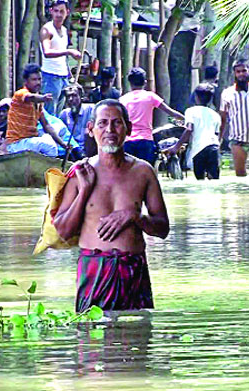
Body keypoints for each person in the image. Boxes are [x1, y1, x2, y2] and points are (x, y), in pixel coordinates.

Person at [53, 99, 170, 312]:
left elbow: (162, 229)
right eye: (102, 123)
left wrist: (136, 217)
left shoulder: (143, 172)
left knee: (138, 337)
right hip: (95, 270)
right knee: (93, 340)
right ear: (91, 129)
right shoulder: (80, 172)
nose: (109, 129)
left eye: (117, 123)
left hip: (134, 269)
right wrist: (85, 191)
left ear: (129, 129)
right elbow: (62, 231)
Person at [119, 67, 184, 166]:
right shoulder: (150, 96)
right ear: (145, 82)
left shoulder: (122, 100)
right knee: (146, 172)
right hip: (146, 141)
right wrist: (185, 119)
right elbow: (170, 112)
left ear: (130, 82)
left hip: (128, 141)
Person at [6, 63, 70, 157]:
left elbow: (47, 126)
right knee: (49, 146)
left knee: (50, 139)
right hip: (17, 144)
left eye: (39, 79)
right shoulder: (20, 94)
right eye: (34, 80)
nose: (38, 83)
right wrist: (43, 98)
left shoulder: (39, 104)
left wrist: (63, 144)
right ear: (26, 81)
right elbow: (31, 97)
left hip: (30, 142)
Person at [166, 83, 221, 180]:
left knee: (200, 181)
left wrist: (176, 147)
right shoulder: (215, 115)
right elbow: (216, 134)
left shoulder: (190, 111)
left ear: (196, 97)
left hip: (199, 150)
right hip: (214, 148)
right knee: (214, 180)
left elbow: (189, 129)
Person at [39, 0, 82, 116]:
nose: (58, 14)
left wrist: (69, 75)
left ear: (67, 12)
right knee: (49, 113)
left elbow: (63, 59)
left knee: (60, 111)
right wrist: (69, 51)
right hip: (50, 76)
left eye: (61, 11)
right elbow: (47, 52)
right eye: (56, 11)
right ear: (51, 11)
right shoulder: (46, 30)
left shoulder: (64, 30)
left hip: (63, 77)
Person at [59, 84, 95, 156]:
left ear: (81, 97)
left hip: (88, 149)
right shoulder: (64, 114)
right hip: (72, 150)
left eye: (74, 96)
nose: (71, 99)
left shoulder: (91, 109)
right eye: (68, 96)